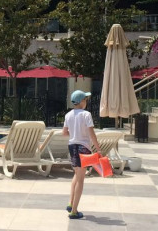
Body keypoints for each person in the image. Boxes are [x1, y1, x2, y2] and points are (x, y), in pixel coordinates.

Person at [62, 90, 101, 220]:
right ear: (81, 101)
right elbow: (92, 134)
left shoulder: (68, 115)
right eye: (86, 100)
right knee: (81, 179)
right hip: (83, 148)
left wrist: (74, 134)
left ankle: (70, 203)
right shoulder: (86, 114)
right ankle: (74, 211)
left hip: (72, 146)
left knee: (76, 175)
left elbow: (64, 133)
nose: (86, 102)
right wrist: (98, 149)